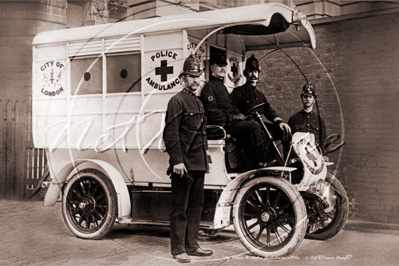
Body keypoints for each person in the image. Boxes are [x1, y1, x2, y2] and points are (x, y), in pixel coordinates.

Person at [163, 54, 213, 263]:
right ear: (183, 78)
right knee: (180, 209)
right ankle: (178, 249)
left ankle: (192, 245)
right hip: (183, 165)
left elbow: (201, 133)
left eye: (198, 76)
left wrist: (206, 158)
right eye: (191, 76)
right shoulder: (176, 101)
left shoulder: (199, 103)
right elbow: (171, 133)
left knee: (195, 207)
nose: (195, 80)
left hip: (198, 164)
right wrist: (177, 160)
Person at [200, 53, 269, 168]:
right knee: (254, 126)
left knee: (259, 127)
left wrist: (241, 115)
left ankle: (250, 164)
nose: (223, 68)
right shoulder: (209, 87)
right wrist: (233, 117)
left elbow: (229, 107)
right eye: (219, 65)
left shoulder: (222, 86)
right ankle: (260, 162)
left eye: (224, 65)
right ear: (212, 68)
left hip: (229, 123)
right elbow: (212, 113)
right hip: (222, 125)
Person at [230, 54, 291, 163]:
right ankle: (262, 161)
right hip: (248, 129)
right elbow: (231, 106)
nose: (254, 75)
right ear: (245, 74)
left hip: (260, 125)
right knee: (259, 129)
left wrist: (279, 122)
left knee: (284, 131)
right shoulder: (238, 91)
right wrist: (241, 116)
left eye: (256, 72)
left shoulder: (260, 95)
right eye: (251, 71)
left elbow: (268, 109)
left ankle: (288, 160)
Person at [288, 82, 327, 153]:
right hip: (298, 159)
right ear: (302, 98)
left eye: (310, 97)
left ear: (314, 100)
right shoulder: (294, 118)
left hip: (314, 158)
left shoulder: (319, 119)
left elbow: (323, 143)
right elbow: (288, 143)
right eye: (305, 97)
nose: (307, 99)